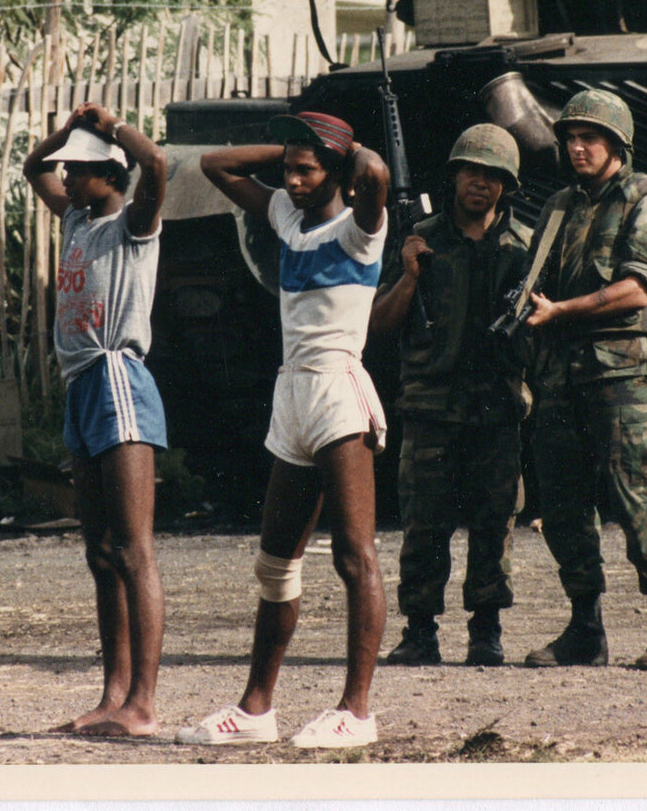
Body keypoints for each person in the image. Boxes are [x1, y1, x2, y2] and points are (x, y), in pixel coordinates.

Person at [179, 112, 390, 749]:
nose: (293, 180)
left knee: (356, 557)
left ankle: (356, 712)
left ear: (336, 172)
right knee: (275, 564)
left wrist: (343, 149)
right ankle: (255, 709)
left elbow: (376, 173)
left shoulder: (360, 230)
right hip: (291, 393)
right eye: (288, 170)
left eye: (306, 170)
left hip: (337, 391)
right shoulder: (284, 215)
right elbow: (215, 165)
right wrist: (299, 144)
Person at [519, 88, 647, 670]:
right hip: (559, 374)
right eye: (569, 137)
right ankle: (585, 629)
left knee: (637, 497)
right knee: (563, 506)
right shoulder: (560, 205)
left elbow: (638, 289)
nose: (577, 147)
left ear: (618, 144)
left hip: (620, 376)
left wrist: (563, 311)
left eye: (589, 138)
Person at [22, 102, 169, 738]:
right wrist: (66, 133)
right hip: (82, 386)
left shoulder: (132, 225)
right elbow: (33, 167)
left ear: (111, 172)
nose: (69, 178)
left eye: (81, 169)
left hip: (118, 379)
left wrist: (111, 130)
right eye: (70, 170)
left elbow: (156, 162)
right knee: (100, 553)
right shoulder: (77, 222)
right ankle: (112, 694)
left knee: (134, 550)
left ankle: (141, 701)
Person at [370, 124, 532, 667]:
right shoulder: (419, 239)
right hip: (430, 406)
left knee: (495, 523)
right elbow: (379, 323)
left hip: (497, 406)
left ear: (507, 186)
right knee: (424, 524)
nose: (478, 184)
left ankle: (486, 630)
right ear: (454, 176)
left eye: (491, 176)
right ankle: (420, 630)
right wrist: (410, 277)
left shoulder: (525, 249)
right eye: (470, 172)